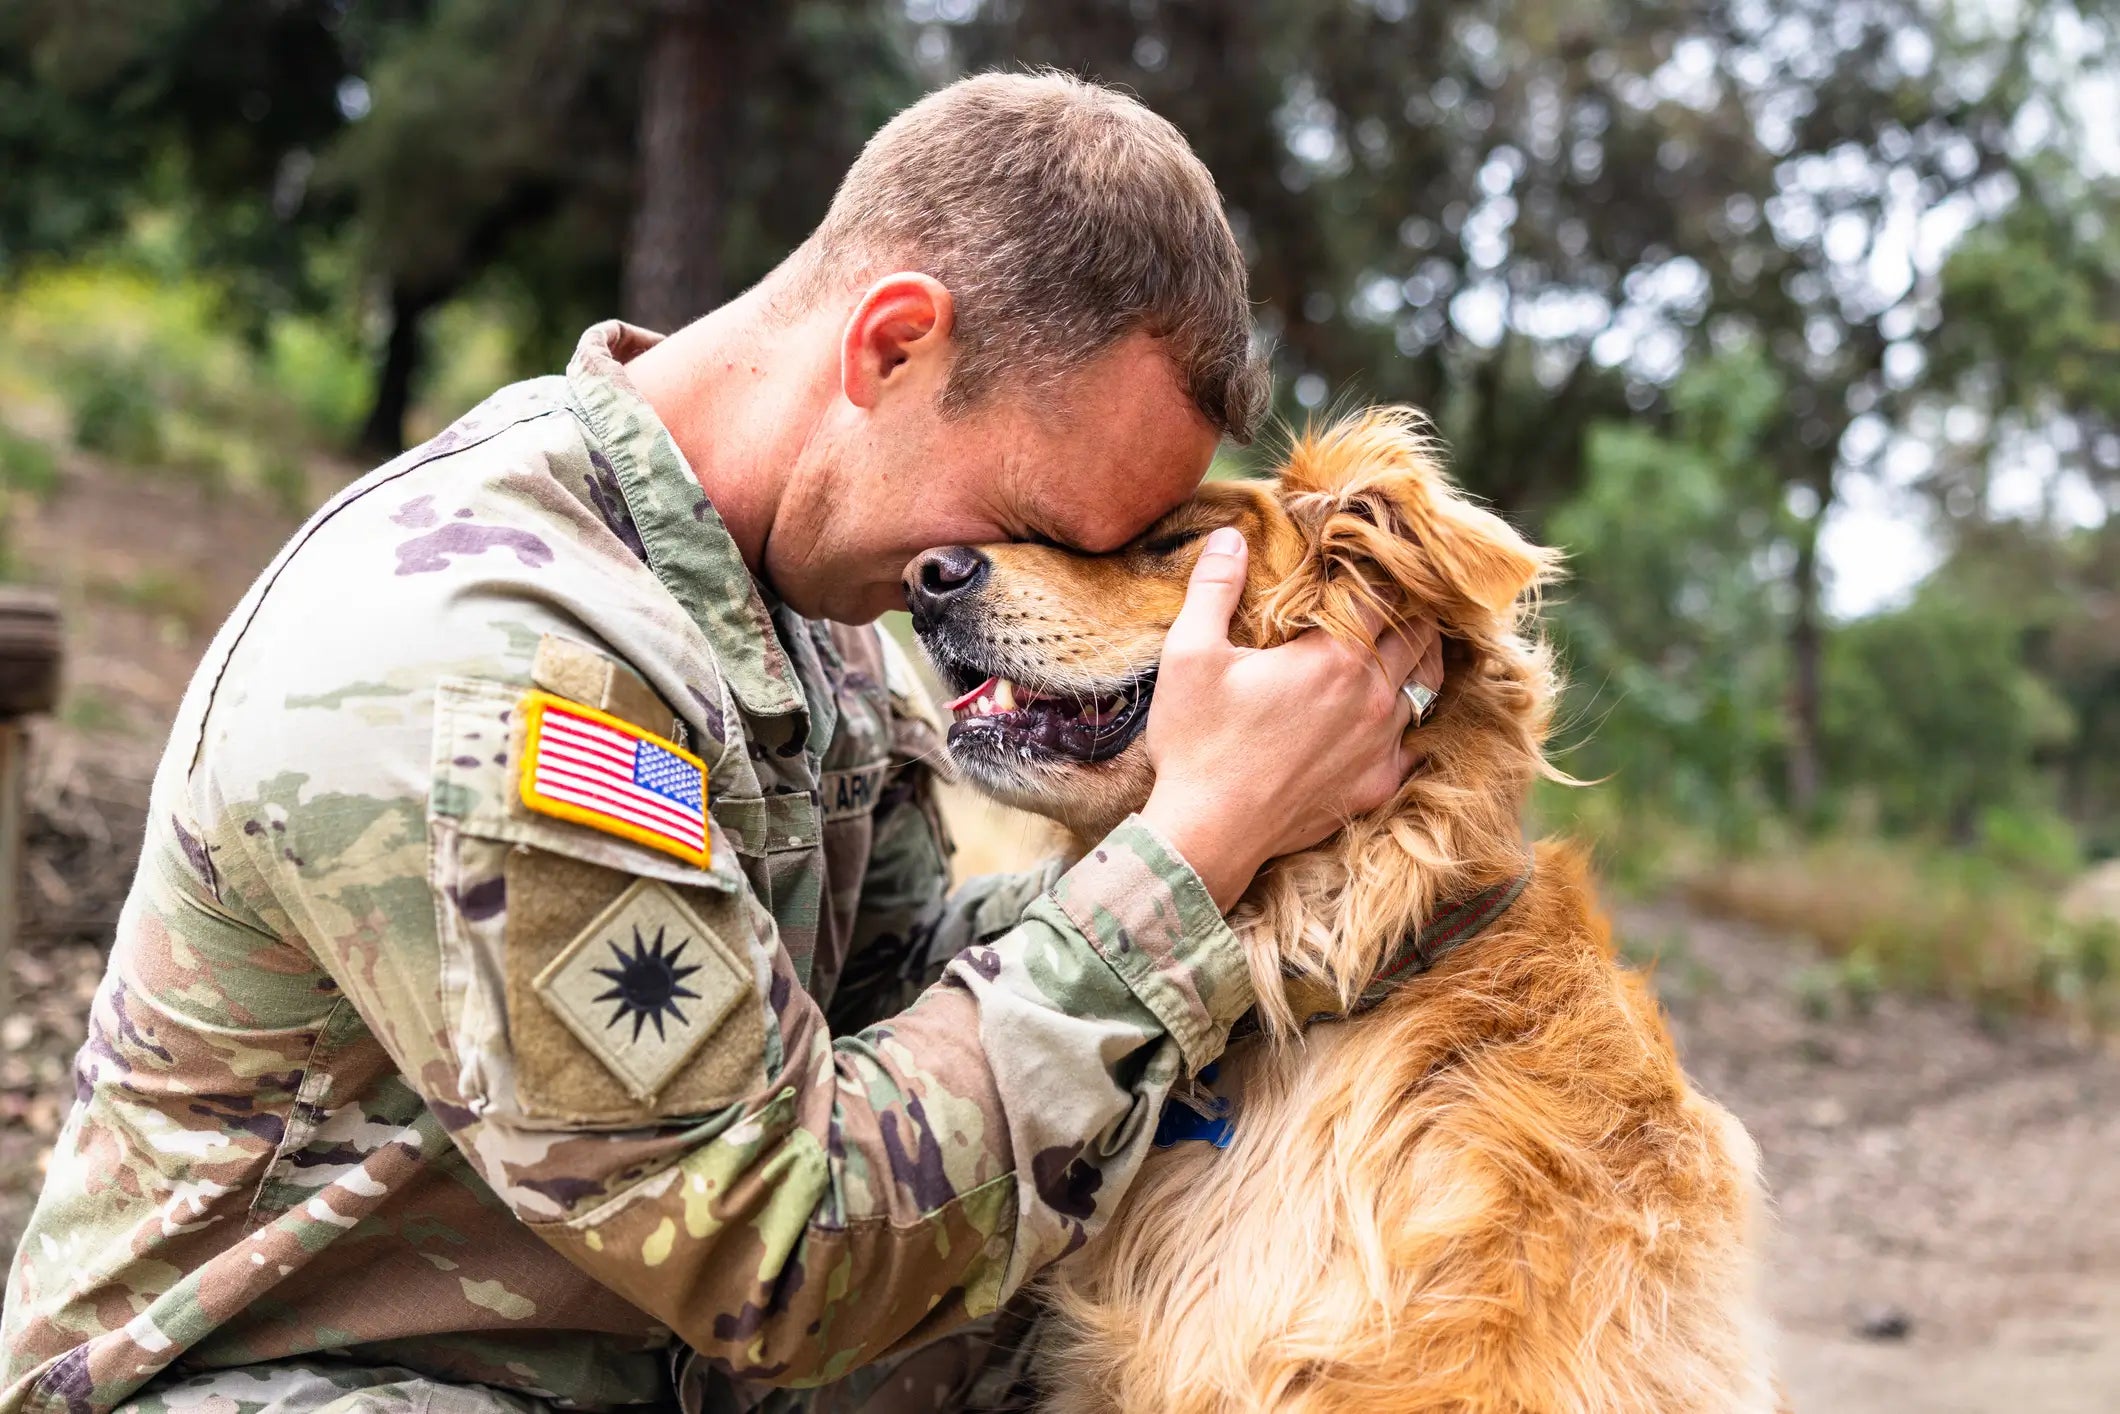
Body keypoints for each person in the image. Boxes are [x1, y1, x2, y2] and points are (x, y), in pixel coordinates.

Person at [0, 73, 1441, 1414]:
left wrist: (1279, 831)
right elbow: (781, 1246)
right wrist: (1193, 854)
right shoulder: (502, 657)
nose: (1012, 590)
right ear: (892, 344)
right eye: (1038, 531)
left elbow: (890, 994)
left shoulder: (797, 603)